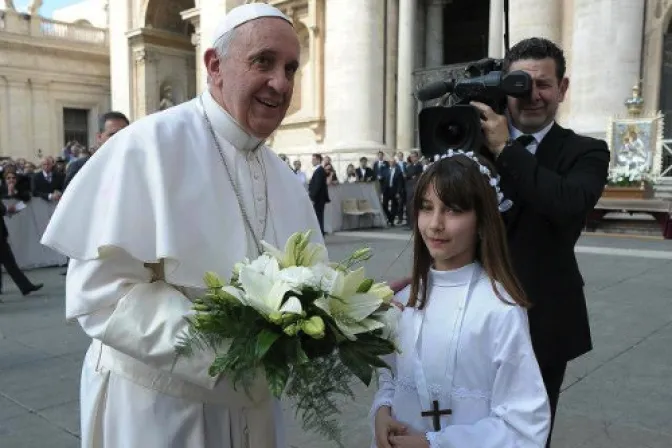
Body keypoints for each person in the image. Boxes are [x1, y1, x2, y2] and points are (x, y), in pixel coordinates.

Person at [40, 4, 322, 448]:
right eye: (262, 61)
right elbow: (102, 294)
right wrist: (232, 351)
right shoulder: (147, 146)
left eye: (291, 68)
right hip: (159, 410)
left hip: (255, 409)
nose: (281, 83)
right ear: (214, 66)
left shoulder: (283, 175)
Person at [469, 37, 610, 447]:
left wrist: (505, 149)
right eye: (520, 83)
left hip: (544, 320)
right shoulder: (469, 143)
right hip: (472, 313)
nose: (532, 95)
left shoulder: (586, 151)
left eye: (544, 84)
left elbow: (566, 205)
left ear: (562, 89)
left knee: (528, 435)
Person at [371, 152, 550, 448]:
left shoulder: (498, 308)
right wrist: (382, 410)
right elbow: (390, 376)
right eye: (427, 208)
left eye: (453, 210)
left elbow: (524, 423)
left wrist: (435, 443)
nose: (435, 224)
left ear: (482, 221)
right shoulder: (404, 300)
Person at [63, 111, 130, 190]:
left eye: (124, 134)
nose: (120, 138)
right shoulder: (79, 167)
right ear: (99, 137)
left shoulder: (136, 165)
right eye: (113, 135)